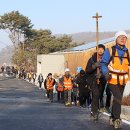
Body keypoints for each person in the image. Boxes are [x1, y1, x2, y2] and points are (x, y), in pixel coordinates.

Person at [100, 31, 129, 129]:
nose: (122, 39)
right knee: (118, 98)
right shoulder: (110, 50)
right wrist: (105, 73)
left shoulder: (127, 52)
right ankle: (117, 119)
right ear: (116, 39)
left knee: (117, 99)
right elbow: (103, 63)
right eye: (120, 37)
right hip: (112, 79)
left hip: (123, 81)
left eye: (124, 37)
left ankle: (112, 117)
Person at [85, 44, 106, 121]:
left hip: (102, 80)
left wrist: (102, 75)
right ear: (96, 50)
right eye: (99, 49)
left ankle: (96, 109)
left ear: (104, 50)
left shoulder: (106, 59)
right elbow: (87, 71)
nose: (100, 50)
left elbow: (108, 70)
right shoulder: (92, 59)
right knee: (96, 94)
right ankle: (94, 112)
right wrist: (93, 66)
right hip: (93, 80)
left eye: (102, 49)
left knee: (99, 95)